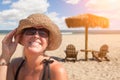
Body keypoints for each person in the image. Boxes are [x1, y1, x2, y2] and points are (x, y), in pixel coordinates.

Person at [0, 13, 68, 80]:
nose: (36, 36)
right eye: (30, 31)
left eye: (43, 33)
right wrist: (5, 57)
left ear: (48, 42)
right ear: (21, 38)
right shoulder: (15, 65)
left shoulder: (56, 70)